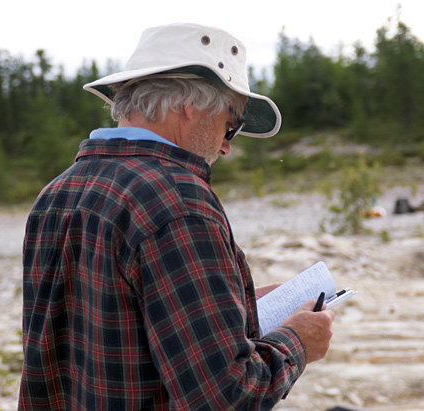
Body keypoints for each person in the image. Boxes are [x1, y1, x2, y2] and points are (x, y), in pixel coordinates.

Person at [19, 23, 335, 410]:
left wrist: (237, 304)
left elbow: (117, 321)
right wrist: (298, 342)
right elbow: (226, 397)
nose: (225, 147)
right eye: (230, 126)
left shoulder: (57, 192)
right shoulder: (180, 202)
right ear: (191, 107)